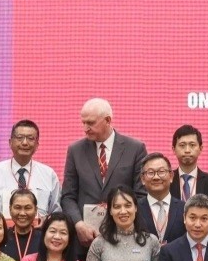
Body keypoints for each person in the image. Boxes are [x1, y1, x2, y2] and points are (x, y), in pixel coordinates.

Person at [61, 98, 148, 251]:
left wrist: (123, 223)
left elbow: (141, 195)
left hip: (124, 240)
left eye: (90, 123)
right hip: (85, 241)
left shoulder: (135, 148)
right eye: (83, 123)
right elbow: (68, 196)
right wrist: (78, 224)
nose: (85, 128)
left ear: (107, 120)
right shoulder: (75, 150)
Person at [0, 120, 61, 216]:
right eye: (20, 138)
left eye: (30, 138)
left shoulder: (49, 175)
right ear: (10, 142)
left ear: (37, 145)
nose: (25, 143)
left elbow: (56, 213)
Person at [135, 152, 186, 245]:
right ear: (142, 179)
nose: (156, 177)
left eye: (161, 172)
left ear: (171, 176)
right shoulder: (135, 209)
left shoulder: (185, 208)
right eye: (150, 173)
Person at [169, 125, 208, 202]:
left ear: (200, 149)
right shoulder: (167, 181)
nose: (187, 150)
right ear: (173, 149)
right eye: (182, 145)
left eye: (192, 145)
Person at [2, 190, 43, 261]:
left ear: (36, 210)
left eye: (28, 208)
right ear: (10, 209)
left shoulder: (44, 239)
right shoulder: (1, 238)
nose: (22, 213)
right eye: (17, 207)